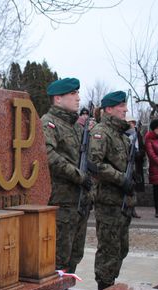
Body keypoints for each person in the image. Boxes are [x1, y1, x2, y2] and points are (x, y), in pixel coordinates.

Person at [41, 77, 92, 274]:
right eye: (73, 93)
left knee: (75, 255)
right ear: (58, 99)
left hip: (80, 201)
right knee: (58, 258)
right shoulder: (49, 123)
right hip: (62, 202)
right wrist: (79, 176)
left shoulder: (77, 127)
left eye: (78, 93)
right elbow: (49, 156)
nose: (78, 98)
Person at [89, 91, 135, 290]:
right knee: (109, 250)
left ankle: (110, 285)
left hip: (122, 202)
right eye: (121, 106)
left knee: (121, 248)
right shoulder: (101, 132)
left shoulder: (121, 135)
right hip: (107, 202)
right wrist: (121, 179)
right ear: (109, 109)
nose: (125, 109)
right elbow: (94, 163)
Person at [125, 116, 145, 218]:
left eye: (133, 122)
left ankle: (133, 209)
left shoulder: (138, 135)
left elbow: (142, 148)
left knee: (135, 188)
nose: (131, 125)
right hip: (127, 163)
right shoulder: (123, 134)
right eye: (130, 122)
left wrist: (139, 154)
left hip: (136, 163)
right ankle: (126, 207)